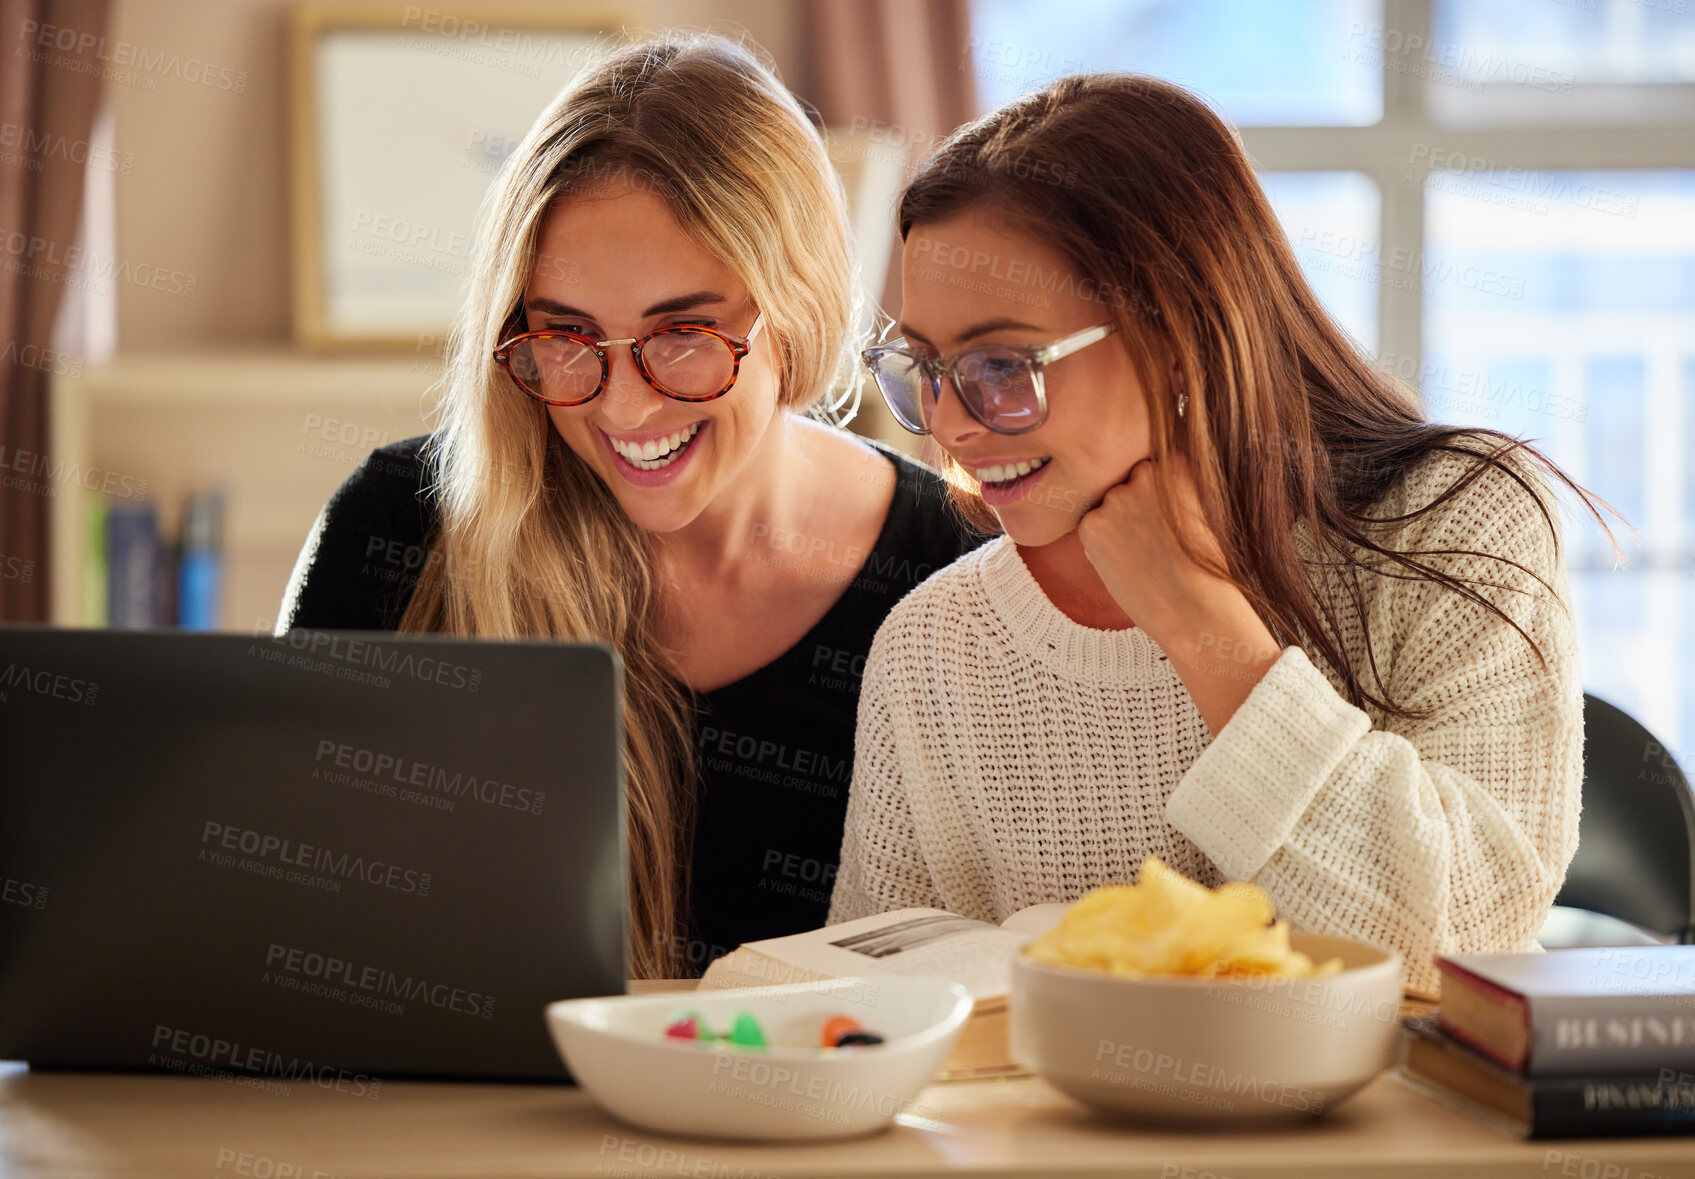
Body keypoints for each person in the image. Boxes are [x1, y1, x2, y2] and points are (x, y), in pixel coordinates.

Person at [827, 73, 1610, 994]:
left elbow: (1464, 948)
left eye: (1001, 365)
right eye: (923, 365)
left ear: (1182, 331)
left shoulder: (1455, 522)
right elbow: (876, 1011)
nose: (947, 426)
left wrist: (1203, 627)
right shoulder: (934, 645)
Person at [278, 33, 983, 978]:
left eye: (681, 333)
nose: (622, 405)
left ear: (799, 305)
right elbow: (281, 932)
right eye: (566, 334)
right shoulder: (398, 530)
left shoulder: (954, 570)